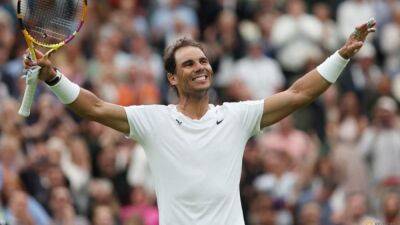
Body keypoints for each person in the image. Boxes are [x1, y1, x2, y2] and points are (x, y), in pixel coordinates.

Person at [23, 19, 376, 225]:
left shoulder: (237, 117)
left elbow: (299, 94)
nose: (201, 67)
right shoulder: (153, 121)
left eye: (203, 61)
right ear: (172, 78)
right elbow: (95, 108)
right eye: (189, 63)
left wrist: (341, 56)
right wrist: (55, 80)